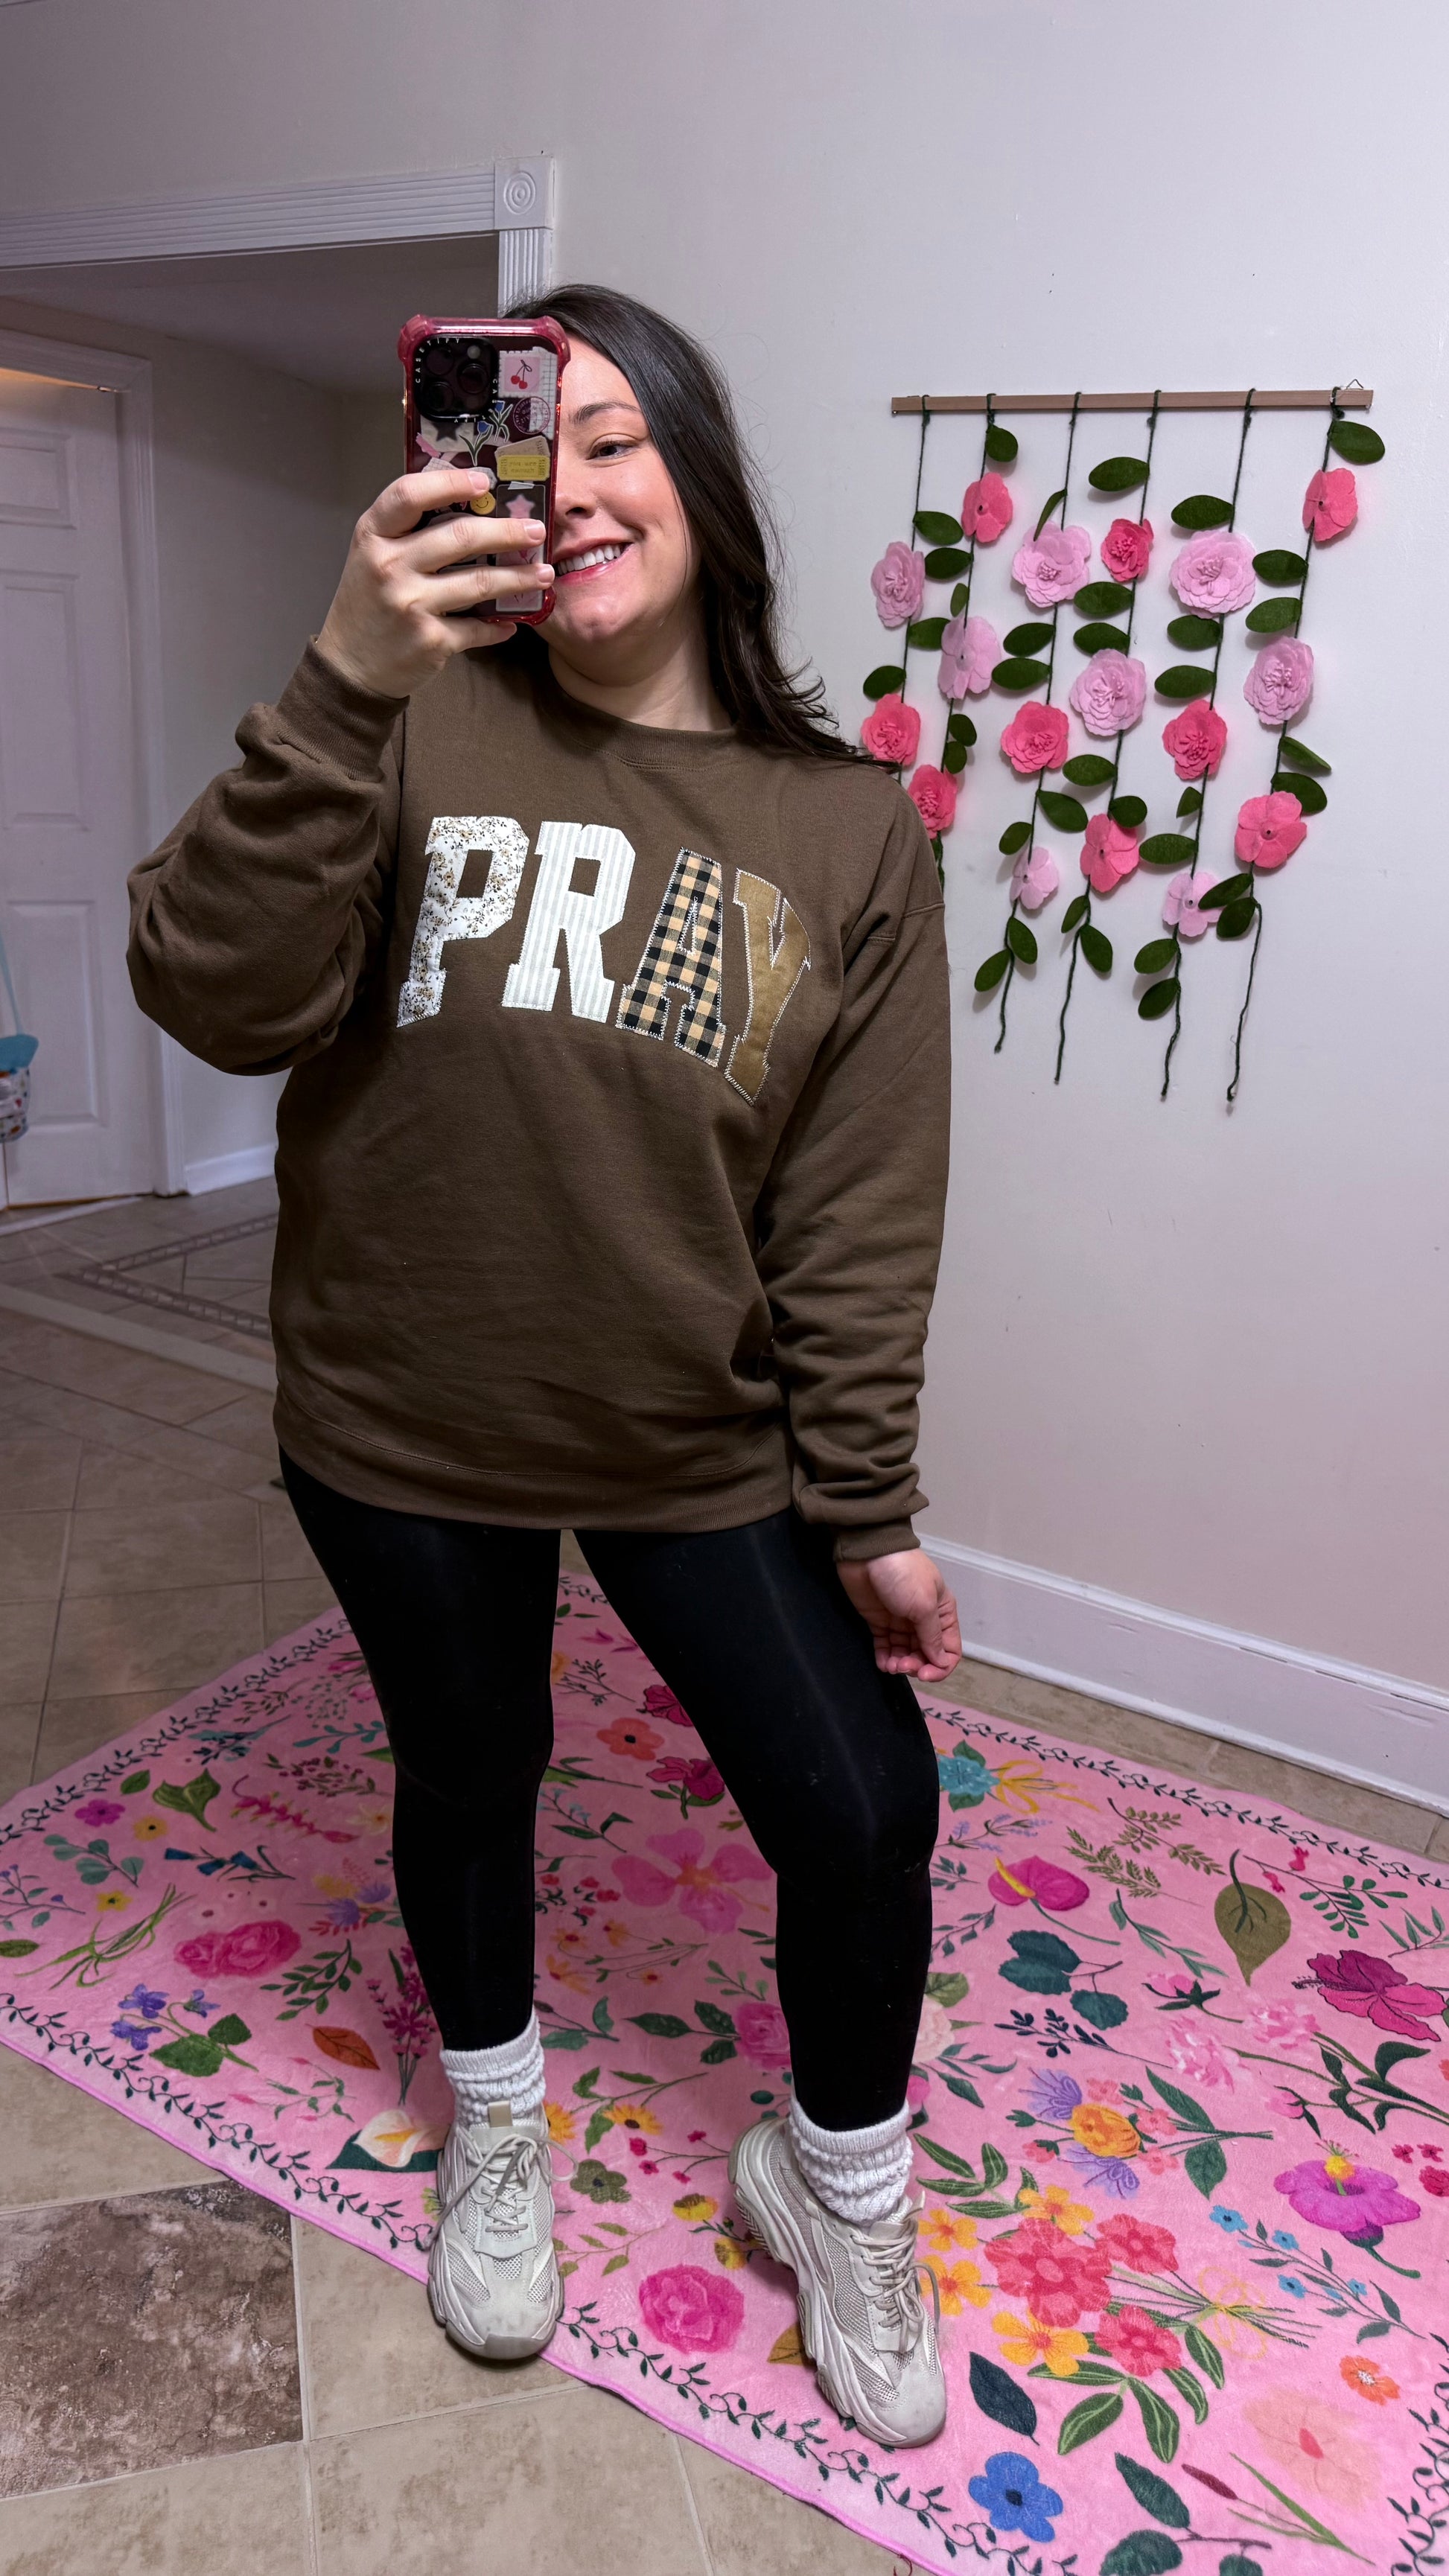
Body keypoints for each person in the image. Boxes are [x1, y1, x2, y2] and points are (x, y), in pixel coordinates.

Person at [128, 284, 959, 2449]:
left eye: (615, 439)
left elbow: (857, 1211)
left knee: (864, 1804)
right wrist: (345, 674)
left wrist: (866, 1504)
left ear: (700, 475)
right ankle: (497, 2115)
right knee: (472, 1764)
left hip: (691, 1430)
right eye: (528, 439)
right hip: (402, 1412)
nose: (570, 490)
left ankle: (839, 2180)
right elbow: (208, 989)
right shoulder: (402, 724)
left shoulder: (846, 824)